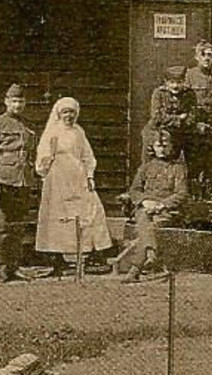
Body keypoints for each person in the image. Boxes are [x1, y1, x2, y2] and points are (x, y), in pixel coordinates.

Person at [34, 97, 114, 276]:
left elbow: (87, 155)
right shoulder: (52, 133)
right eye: (65, 112)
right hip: (58, 179)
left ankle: (92, 253)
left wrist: (90, 175)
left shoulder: (79, 131)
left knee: (90, 211)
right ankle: (56, 258)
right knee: (58, 216)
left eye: (71, 112)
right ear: (58, 114)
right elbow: (43, 158)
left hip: (78, 177)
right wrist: (45, 170)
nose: (68, 115)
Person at [0, 83, 36, 283]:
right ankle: (1, 268)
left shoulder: (28, 125)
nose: (18, 105)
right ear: (6, 102)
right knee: (3, 229)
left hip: (23, 183)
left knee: (17, 228)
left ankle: (14, 266)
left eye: (21, 101)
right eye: (14, 101)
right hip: (4, 182)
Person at [117, 130, 189, 283]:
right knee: (144, 219)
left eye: (165, 146)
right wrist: (144, 202)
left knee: (151, 226)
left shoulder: (178, 168)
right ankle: (150, 255)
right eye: (158, 146)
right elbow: (135, 189)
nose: (162, 149)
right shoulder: (146, 167)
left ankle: (136, 268)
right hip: (144, 207)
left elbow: (181, 194)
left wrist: (160, 205)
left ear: (171, 146)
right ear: (153, 147)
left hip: (166, 211)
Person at [183, 39, 212, 184]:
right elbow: (185, 102)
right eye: (203, 55)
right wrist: (195, 122)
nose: (207, 58)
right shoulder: (189, 75)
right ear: (196, 57)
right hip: (196, 127)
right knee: (194, 165)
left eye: (210, 55)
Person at [142, 65, 195, 159]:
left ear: (184, 82)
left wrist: (187, 120)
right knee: (153, 163)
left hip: (178, 133)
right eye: (172, 82)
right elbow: (156, 116)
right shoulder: (159, 93)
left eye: (179, 82)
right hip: (157, 133)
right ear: (166, 82)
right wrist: (178, 119)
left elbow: (192, 114)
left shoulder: (189, 94)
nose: (175, 86)